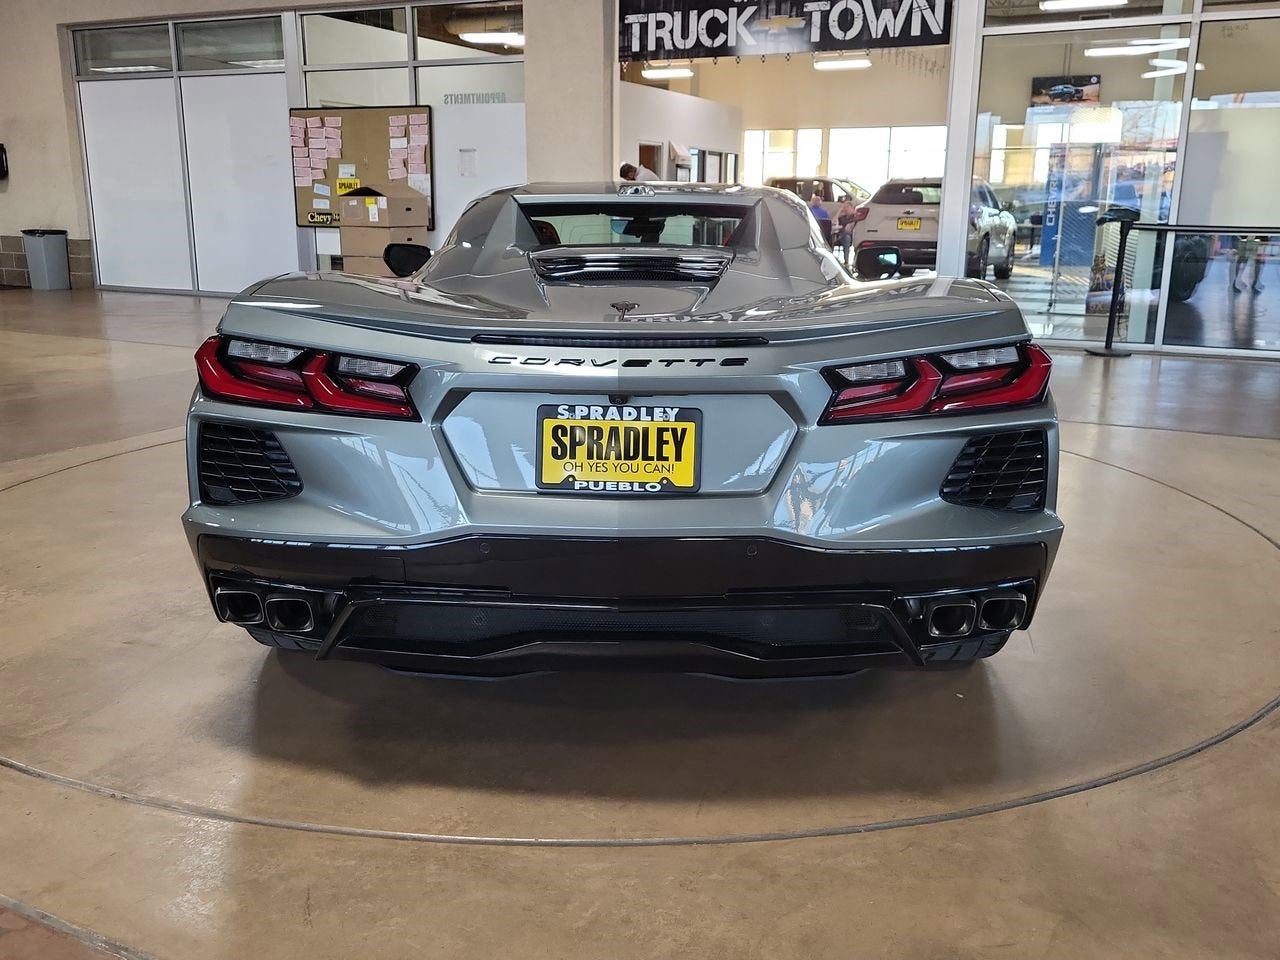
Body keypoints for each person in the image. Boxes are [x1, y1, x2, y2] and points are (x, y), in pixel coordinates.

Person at [835, 198, 858, 266]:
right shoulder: (842, 217)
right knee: (846, 237)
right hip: (842, 236)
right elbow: (834, 223)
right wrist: (839, 211)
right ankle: (846, 261)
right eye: (844, 207)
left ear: (852, 208)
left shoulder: (855, 217)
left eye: (847, 207)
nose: (845, 209)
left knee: (847, 236)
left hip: (854, 236)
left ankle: (848, 261)